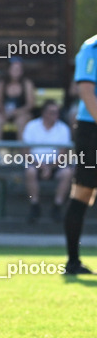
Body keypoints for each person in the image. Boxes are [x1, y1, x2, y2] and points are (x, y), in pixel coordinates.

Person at [63, 35, 97, 274]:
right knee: (84, 193)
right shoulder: (91, 47)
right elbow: (86, 91)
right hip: (91, 129)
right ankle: (73, 262)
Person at [21, 100, 72, 223]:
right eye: (52, 112)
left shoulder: (63, 129)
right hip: (35, 164)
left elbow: (63, 154)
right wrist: (41, 166)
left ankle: (57, 206)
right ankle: (34, 205)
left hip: (56, 166)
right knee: (30, 172)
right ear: (44, 113)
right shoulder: (31, 126)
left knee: (68, 173)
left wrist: (49, 167)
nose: (55, 115)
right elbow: (25, 152)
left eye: (57, 112)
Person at [0, 57, 35, 141]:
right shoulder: (2, 83)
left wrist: (17, 112)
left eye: (18, 69)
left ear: (22, 71)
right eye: (13, 69)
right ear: (8, 70)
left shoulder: (27, 83)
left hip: (22, 113)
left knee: (21, 121)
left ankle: (22, 151)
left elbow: (30, 104)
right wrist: (4, 111)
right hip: (4, 113)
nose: (16, 72)